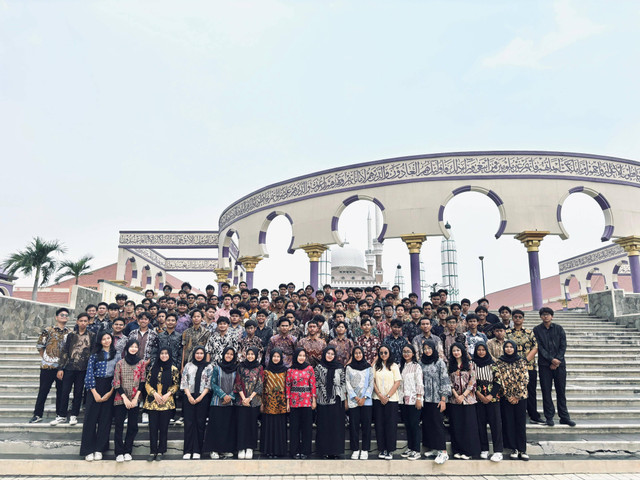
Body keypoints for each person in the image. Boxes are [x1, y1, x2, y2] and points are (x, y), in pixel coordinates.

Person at [533, 307, 575, 427]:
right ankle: (549, 417)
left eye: (548, 314)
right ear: (540, 316)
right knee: (546, 392)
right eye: (543, 314)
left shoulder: (559, 328)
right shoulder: (536, 330)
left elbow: (563, 345)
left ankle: (564, 417)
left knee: (561, 391)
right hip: (545, 365)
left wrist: (557, 360)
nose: (546, 316)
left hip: (560, 365)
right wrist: (551, 359)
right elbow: (539, 347)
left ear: (552, 316)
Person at [80, 331, 117, 461]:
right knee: (90, 419)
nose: (107, 341)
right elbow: (89, 374)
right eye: (104, 339)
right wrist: (94, 392)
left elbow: (117, 374)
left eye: (108, 338)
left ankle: (99, 449)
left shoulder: (116, 355)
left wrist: (110, 391)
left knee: (105, 420)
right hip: (95, 386)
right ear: (100, 341)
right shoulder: (95, 355)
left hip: (110, 387)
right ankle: (88, 449)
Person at [31, 307, 70, 424]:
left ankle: (60, 414)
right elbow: (40, 346)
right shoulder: (48, 330)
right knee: (43, 391)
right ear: (56, 317)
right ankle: (37, 414)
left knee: (61, 392)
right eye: (62, 315)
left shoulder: (70, 333)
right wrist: (46, 359)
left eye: (66, 315)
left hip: (62, 368)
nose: (64, 317)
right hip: (47, 367)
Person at [56, 312, 95, 425]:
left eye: (85, 321)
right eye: (81, 321)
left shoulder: (92, 335)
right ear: (77, 321)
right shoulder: (71, 335)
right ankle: (62, 415)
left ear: (88, 322)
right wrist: (60, 368)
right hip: (69, 367)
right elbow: (65, 351)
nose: (83, 323)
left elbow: (93, 353)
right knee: (65, 391)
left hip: (83, 369)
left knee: (78, 392)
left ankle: (74, 415)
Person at [495, 340, 530, 460]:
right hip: (506, 397)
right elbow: (499, 379)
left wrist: (517, 396)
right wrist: (508, 395)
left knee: (520, 423)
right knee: (509, 422)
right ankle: (513, 448)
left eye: (511, 347)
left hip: (520, 397)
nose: (509, 349)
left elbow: (524, 378)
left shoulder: (521, 361)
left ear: (515, 348)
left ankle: (522, 449)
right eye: (507, 347)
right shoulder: (500, 361)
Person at [112, 339, 146, 462]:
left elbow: (142, 381)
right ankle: (119, 452)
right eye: (131, 346)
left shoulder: (141, 363)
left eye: (136, 347)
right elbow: (116, 382)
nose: (133, 348)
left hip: (135, 398)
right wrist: (125, 398)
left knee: (133, 426)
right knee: (119, 425)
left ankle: (127, 450)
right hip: (121, 398)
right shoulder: (120, 363)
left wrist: (136, 398)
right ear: (127, 348)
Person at [507, 310, 543, 424]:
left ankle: (533, 415)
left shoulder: (529, 333)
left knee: (530, 391)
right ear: (512, 319)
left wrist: (525, 360)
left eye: (520, 317)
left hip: (529, 366)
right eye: (515, 317)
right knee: (513, 390)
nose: (518, 319)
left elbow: (535, 347)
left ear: (523, 319)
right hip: (512, 368)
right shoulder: (507, 333)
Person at [143, 348, 180, 461]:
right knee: (153, 428)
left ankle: (161, 451)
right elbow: (147, 383)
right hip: (153, 402)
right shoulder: (153, 368)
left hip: (166, 402)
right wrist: (154, 394)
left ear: (169, 355)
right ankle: (153, 451)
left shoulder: (174, 369)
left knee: (163, 428)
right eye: (162, 354)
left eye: (166, 354)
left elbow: (176, 385)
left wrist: (168, 394)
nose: (164, 356)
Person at [447, 342, 481, 460]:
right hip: (454, 400)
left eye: (458, 350)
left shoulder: (470, 364)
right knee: (457, 425)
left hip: (469, 399)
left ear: (462, 351)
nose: (456, 352)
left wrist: (464, 395)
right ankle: (458, 449)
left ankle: (469, 451)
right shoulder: (450, 365)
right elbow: (448, 382)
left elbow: (473, 381)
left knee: (469, 425)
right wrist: (456, 395)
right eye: (454, 351)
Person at [419, 339, 450, 464]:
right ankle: (433, 448)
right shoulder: (421, 363)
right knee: (427, 424)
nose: (427, 351)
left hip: (437, 399)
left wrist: (443, 399)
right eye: (425, 348)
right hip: (425, 399)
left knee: (437, 424)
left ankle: (443, 451)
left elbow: (445, 380)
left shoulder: (439, 362)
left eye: (429, 348)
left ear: (433, 349)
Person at [472, 342, 503, 462]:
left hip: (493, 398)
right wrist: (479, 395)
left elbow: (498, 381)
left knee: (496, 425)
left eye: (483, 350)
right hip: (478, 398)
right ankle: (484, 449)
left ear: (486, 351)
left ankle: (498, 451)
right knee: (481, 424)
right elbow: (471, 381)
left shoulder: (493, 364)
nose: (481, 352)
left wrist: (491, 395)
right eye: (478, 350)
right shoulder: (472, 364)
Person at [204, 347, 237, 459]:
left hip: (231, 403)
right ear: (223, 355)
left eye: (231, 354)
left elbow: (238, 385)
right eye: (227, 354)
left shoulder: (236, 369)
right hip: (217, 402)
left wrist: (230, 396)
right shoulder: (217, 368)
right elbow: (213, 384)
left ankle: (225, 450)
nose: (229, 356)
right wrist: (223, 395)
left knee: (227, 427)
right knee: (216, 426)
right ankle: (214, 450)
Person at [181, 346, 213, 460]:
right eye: (197, 353)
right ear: (194, 354)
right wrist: (189, 395)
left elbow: (209, 384)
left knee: (200, 424)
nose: (199, 355)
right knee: (189, 424)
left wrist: (200, 397)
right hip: (189, 396)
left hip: (202, 397)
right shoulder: (188, 365)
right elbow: (184, 381)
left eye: (201, 353)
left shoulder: (209, 366)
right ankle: (187, 450)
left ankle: (197, 450)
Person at [314, 346, 346, 459]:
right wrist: (321, 392)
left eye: (332, 354)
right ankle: (324, 451)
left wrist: (341, 397)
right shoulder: (318, 367)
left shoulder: (339, 368)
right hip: (323, 401)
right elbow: (316, 381)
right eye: (328, 353)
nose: (330, 356)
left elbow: (343, 383)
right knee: (324, 426)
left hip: (336, 401)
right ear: (324, 354)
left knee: (336, 426)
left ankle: (335, 451)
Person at [286, 348, 316, 459]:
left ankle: (305, 451)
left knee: (306, 428)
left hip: (307, 402)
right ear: (296, 357)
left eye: (303, 355)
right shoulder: (290, 370)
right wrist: (288, 403)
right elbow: (288, 386)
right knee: (294, 428)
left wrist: (314, 400)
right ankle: (294, 451)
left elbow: (313, 385)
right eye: (299, 355)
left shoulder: (309, 369)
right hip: (294, 403)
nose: (301, 358)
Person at [372, 345, 401, 460]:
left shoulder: (394, 366)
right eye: (381, 353)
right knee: (379, 424)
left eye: (385, 352)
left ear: (389, 353)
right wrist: (379, 395)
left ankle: (390, 450)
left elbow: (397, 382)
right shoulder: (376, 366)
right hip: (378, 399)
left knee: (390, 425)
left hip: (391, 400)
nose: (383, 355)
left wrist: (387, 396)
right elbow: (373, 381)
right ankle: (382, 449)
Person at [345, 345, 374, 460]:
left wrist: (364, 397)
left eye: (360, 353)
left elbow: (371, 383)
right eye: (356, 353)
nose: (358, 355)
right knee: (354, 425)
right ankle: (355, 449)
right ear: (353, 355)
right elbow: (347, 383)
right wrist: (355, 397)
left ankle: (365, 449)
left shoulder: (368, 368)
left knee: (366, 426)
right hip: (353, 401)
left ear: (363, 354)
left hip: (366, 401)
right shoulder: (349, 368)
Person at [234, 347, 264, 459]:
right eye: (249, 354)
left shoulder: (260, 367)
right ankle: (241, 447)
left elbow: (260, 384)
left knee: (252, 424)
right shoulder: (240, 367)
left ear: (256, 355)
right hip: (241, 400)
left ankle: (250, 447)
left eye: (253, 354)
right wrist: (244, 398)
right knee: (241, 424)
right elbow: (237, 383)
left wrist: (250, 398)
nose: (250, 356)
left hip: (254, 401)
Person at [261, 349, 288, 458]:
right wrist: (262, 403)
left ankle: (279, 451)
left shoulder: (286, 371)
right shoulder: (266, 371)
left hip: (281, 403)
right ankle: (268, 451)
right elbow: (262, 388)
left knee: (279, 427)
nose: (276, 358)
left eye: (278, 356)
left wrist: (288, 402)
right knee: (269, 427)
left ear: (281, 358)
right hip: (268, 403)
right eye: (274, 356)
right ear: (270, 357)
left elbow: (288, 387)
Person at [399, 344, 424, 461]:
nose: (406, 354)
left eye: (408, 351)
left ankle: (416, 450)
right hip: (404, 400)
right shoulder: (401, 366)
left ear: (413, 353)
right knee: (408, 425)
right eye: (404, 351)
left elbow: (419, 383)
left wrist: (419, 398)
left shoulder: (416, 366)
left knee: (414, 425)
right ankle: (410, 447)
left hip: (414, 400)